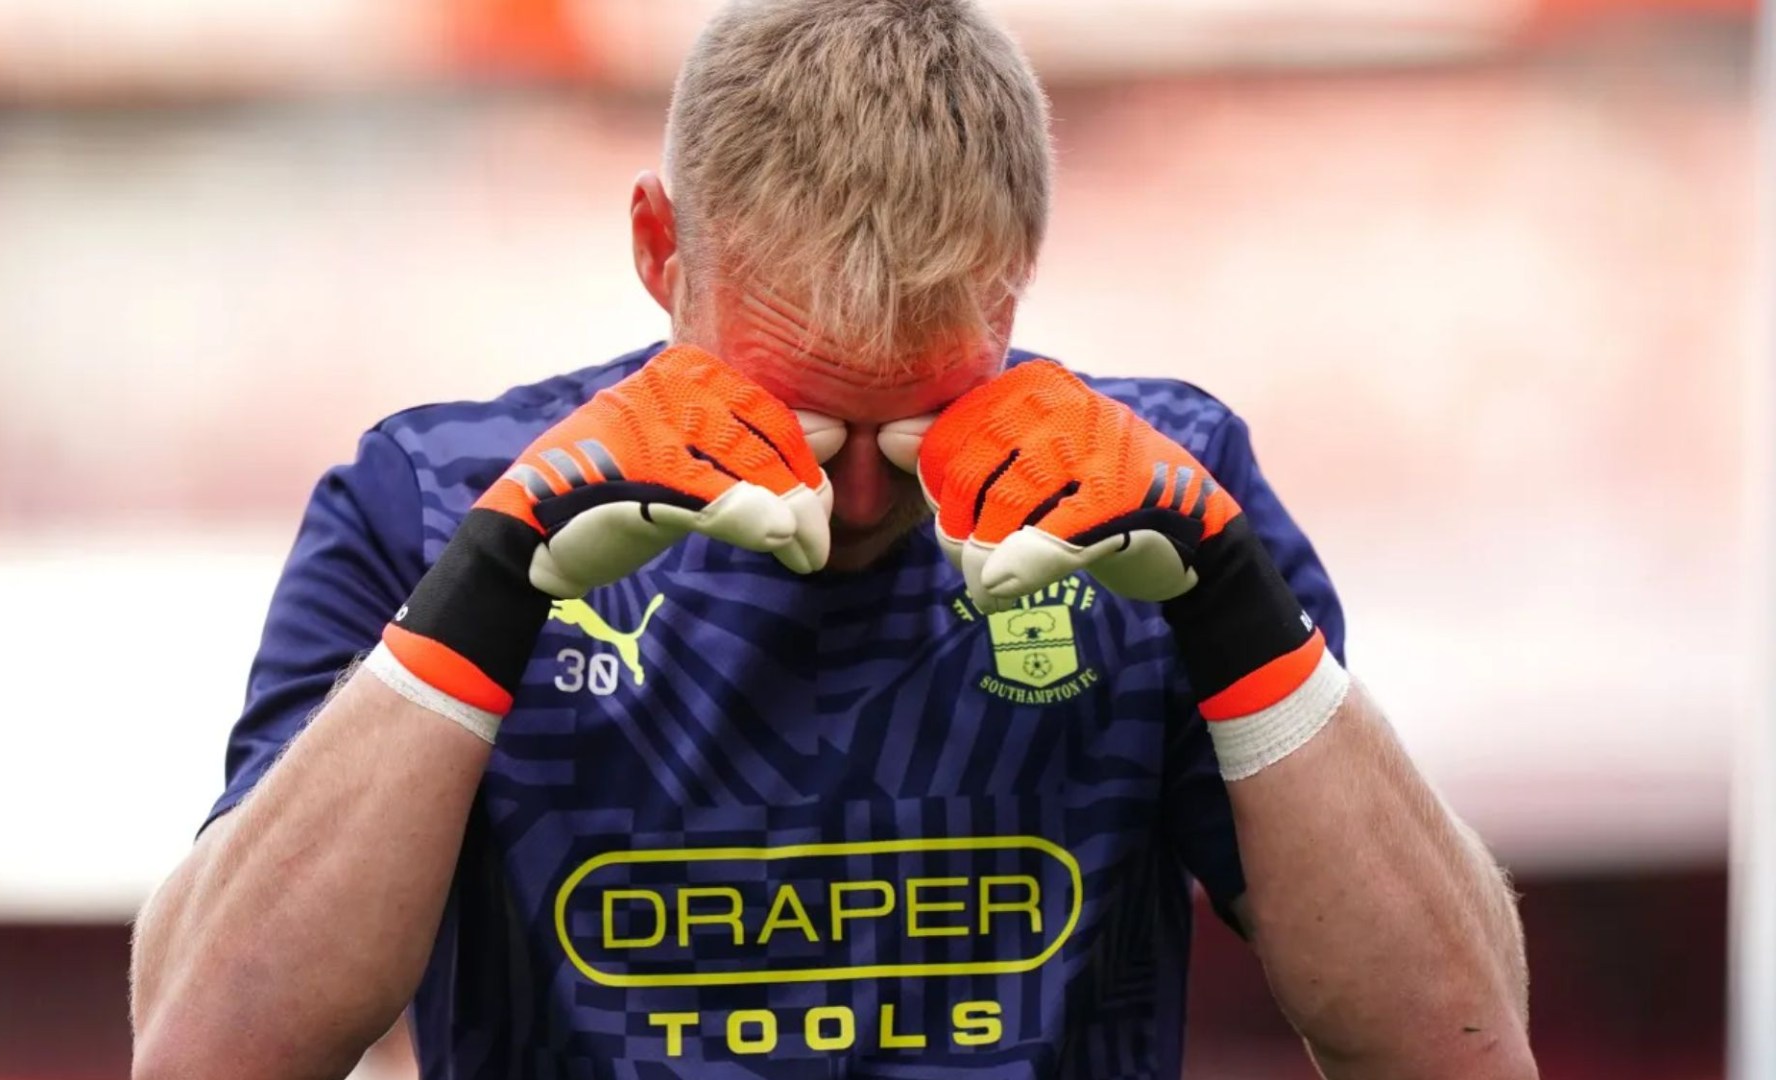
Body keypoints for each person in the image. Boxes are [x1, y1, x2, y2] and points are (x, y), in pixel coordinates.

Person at [129, 1, 1535, 1077]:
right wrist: (482, 598)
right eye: (796, 417)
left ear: (1017, 276)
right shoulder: (430, 498)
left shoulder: (1170, 489)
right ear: (660, 248)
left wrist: (1236, 608)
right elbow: (200, 1045)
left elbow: (1459, 1043)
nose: (860, 499)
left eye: (924, 419)